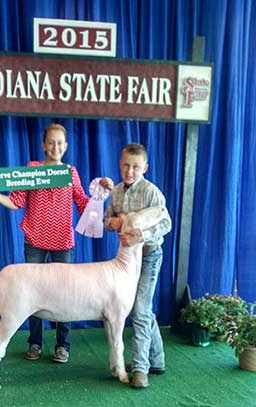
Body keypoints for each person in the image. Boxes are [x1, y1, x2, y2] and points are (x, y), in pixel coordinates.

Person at [0, 123, 110, 364]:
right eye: (50, 142)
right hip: (35, 240)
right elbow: (16, 202)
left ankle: (62, 345)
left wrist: (99, 198)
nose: (55, 147)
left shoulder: (71, 173)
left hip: (63, 242)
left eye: (60, 142)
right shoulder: (32, 170)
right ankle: (35, 343)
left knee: (68, 295)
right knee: (30, 295)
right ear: (43, 145)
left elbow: (82, 204)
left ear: (66, 146)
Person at [103, 143, 171, 389]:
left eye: (135, 167)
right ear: (120, 165)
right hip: (126, 261)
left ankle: (140, 367)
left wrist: (140, 236)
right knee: (140, 309)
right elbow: (106, 220)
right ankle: (157, 359)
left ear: (145, 167)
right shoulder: (117, 192)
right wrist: (112, 222)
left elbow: (166, 224)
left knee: (140, 309)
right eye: (125, 166)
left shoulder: (152, 192)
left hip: (150, 254)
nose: (129, 171)